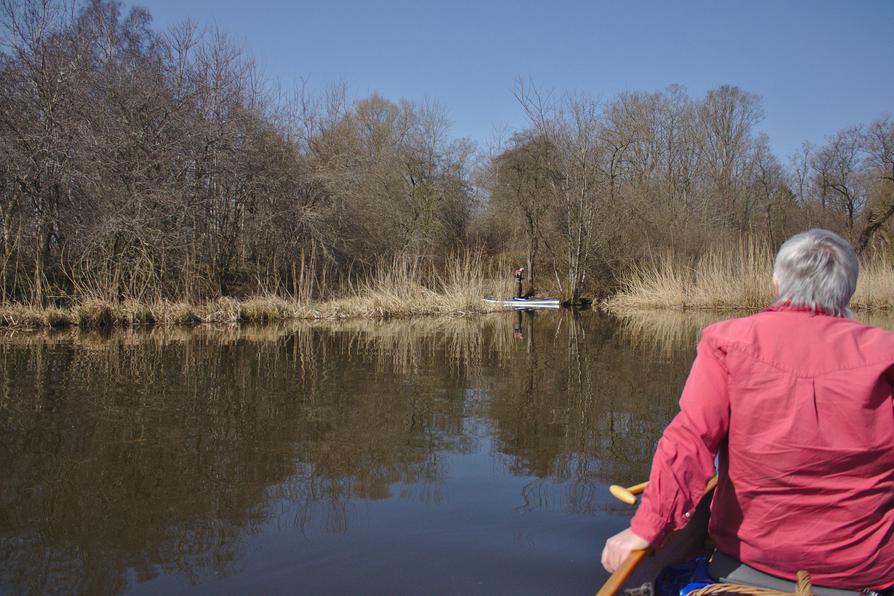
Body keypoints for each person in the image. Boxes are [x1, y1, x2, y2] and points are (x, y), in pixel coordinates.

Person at [601, 229, 894, 592]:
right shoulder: (887, 354)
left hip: (745, 565)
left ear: (776, 284)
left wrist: (646, 528)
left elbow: (690, 441)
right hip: (864, 577)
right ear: (849, 290)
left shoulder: (728, 342)